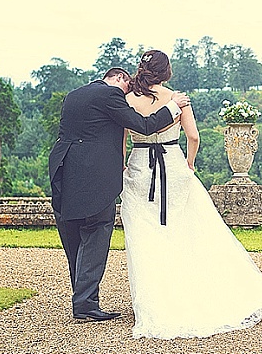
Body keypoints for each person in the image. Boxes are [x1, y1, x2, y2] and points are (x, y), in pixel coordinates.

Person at [121, 50, 262, 339]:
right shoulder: (177, 98)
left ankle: (153, 302)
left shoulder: (128, 100)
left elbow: (122, 141)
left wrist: (124, 165)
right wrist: (190, 163)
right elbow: (194, 137)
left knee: (144, 235)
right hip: (172, 164)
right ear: (166, 72)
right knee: (186, 231)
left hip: (139, 169)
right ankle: (192, 289)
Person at [48, 67, 190, 322]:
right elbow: (143, 126)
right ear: (119, 79)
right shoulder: (110, 95)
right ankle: (85, 305)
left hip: (65, 171)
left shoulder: (74, 95)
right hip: (96, 178)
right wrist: (173, 107)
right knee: (96, 232)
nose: (128, 95)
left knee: (73, 237)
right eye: (127, 88)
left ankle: (83, 299)